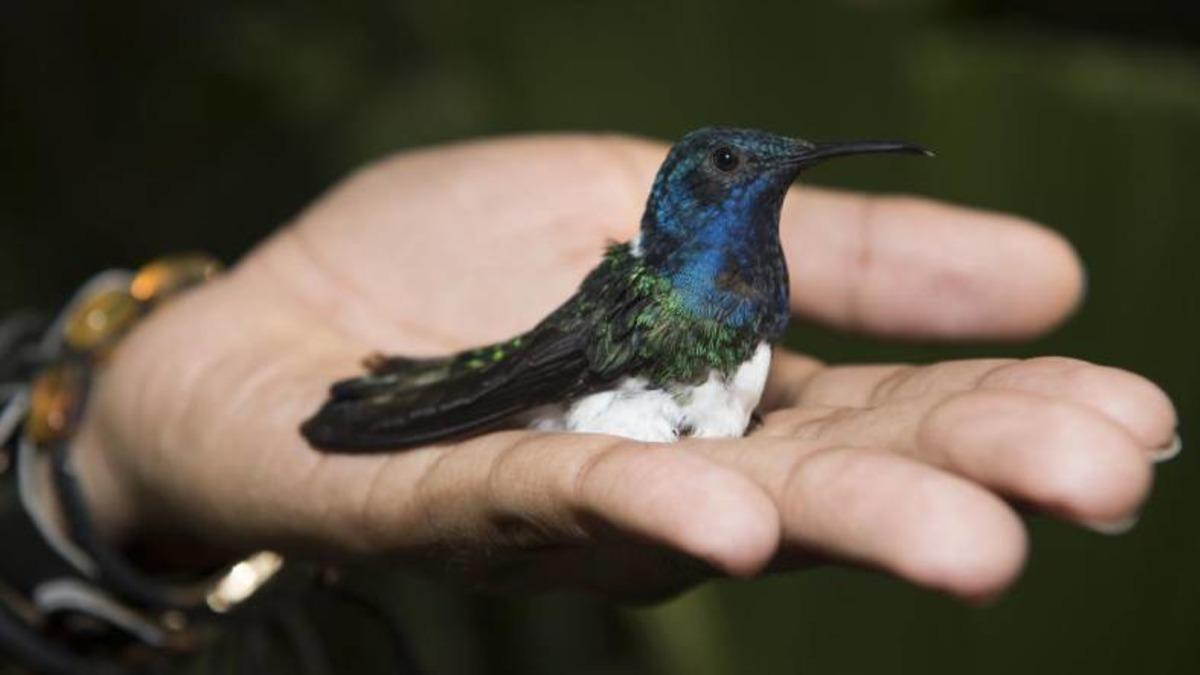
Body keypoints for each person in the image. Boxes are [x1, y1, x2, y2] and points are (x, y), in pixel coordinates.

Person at [4, 134, 1180, 660]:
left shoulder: (751, 282)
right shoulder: (650, 298)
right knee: (459, 396)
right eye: (731, 164)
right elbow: (542, 372)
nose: (759, 174)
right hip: (588, 383)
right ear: (687, 191)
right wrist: (130, 435)